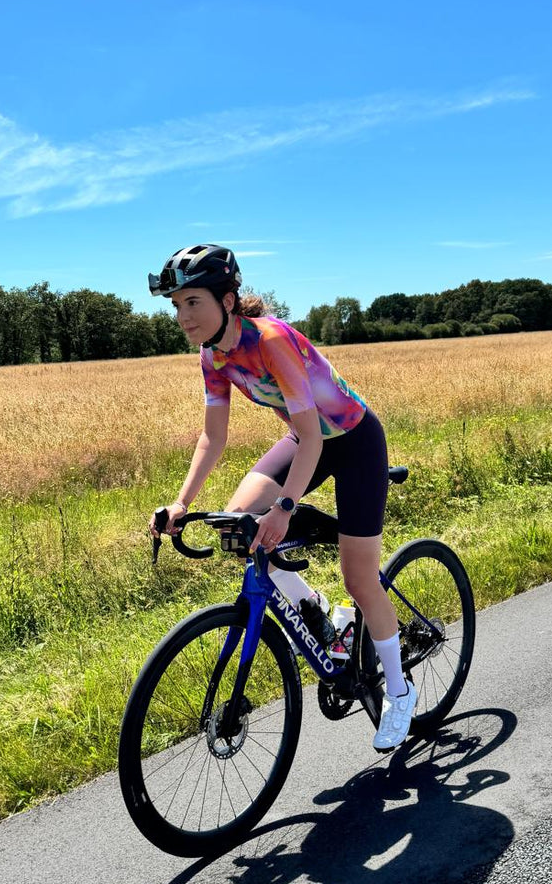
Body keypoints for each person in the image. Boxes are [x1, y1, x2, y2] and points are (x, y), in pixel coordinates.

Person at [148, 242, 417, 752]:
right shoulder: (213, 357)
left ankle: (401, 691)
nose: (182, 317)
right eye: (176, 306)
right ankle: (317, 612)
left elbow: (315, 435)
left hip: (353, 442)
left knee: (359, 578)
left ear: (227, 300)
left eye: (192, 303)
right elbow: (213, 438)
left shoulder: (270, 340)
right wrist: (181, 503)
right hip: (303, 438)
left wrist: (286, 507)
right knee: (239, 523)